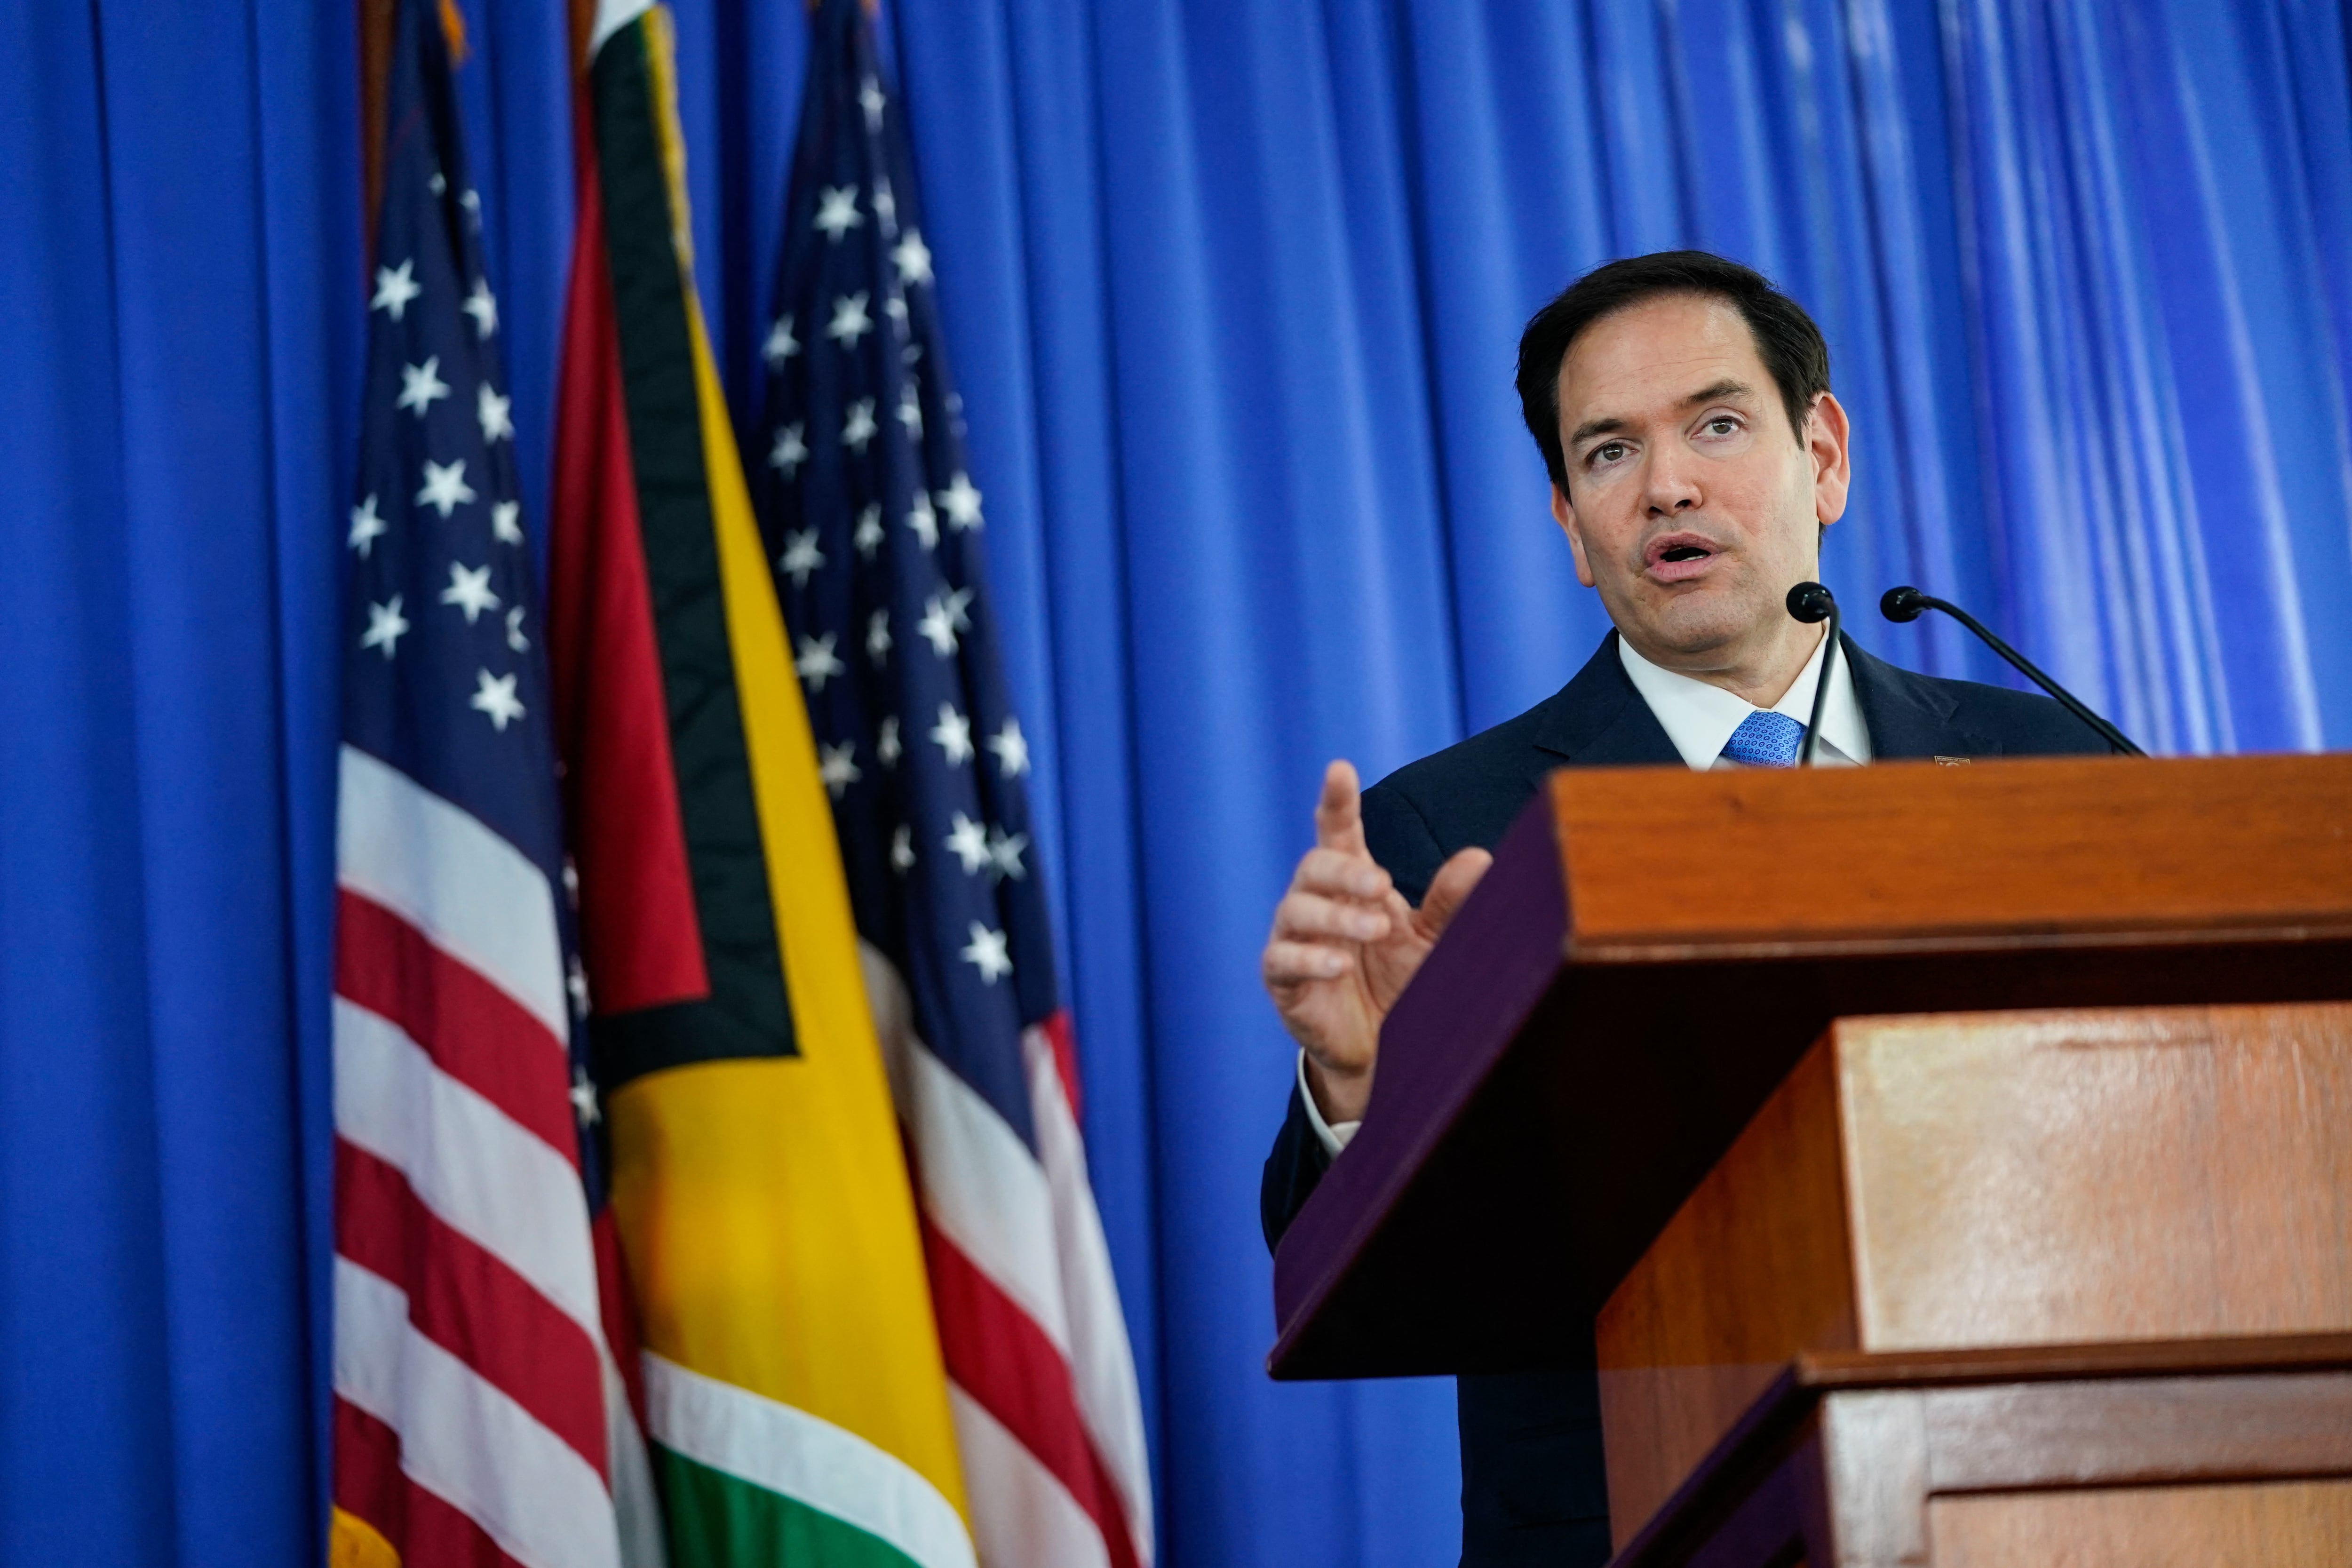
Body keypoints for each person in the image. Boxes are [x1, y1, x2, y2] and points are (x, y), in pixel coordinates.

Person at [1256, 250, 2109, 1567]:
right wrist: (1365, 1087)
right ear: (1572, 528)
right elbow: (1381, 1291)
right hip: (1640, 1522)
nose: (1667, 485)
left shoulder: (2060, 768)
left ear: (1822, 454)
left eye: (1717, 425)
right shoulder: (1446, 835)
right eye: (1609, 452)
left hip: (2044, 1494)